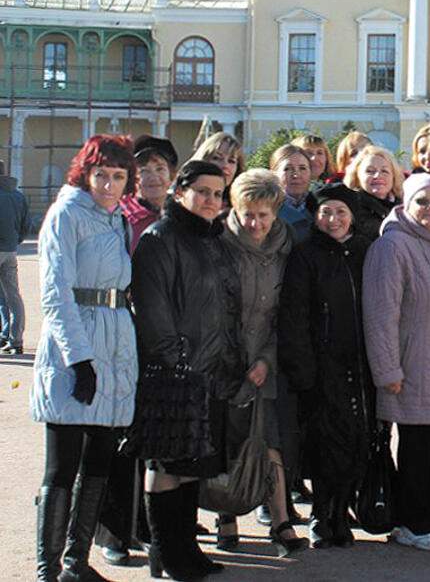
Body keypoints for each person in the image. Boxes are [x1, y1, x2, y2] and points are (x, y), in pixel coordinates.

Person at [31, 135, 139, 582]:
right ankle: (48, 568)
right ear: (85, 173)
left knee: (99, 459)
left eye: (118, 176)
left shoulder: (118, 220)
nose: (110, 184)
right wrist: (79, 359)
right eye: (102, 174)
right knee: (62, 465)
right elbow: (55, 293)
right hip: (76, 344)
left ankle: (77, 561)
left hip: (115, 341)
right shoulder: (67, 214)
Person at [132, 159, 242, 580]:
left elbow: (223, 307)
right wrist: (176, 360)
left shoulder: (213, 240)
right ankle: (166, 553)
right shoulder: (160, 238)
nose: (212, 201)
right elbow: (153, 308)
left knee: (192, 465)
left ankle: (186, 550)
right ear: (180, 192)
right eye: (203, 192)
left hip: (207, 371)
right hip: (172, 373)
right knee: (164, 467)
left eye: (218, 194)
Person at [363, 173, 430, 552]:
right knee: (416, 453)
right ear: (406, 203)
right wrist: (387, 369)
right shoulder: (392, 246)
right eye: (422, 201)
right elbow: (380, 313)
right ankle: (411, 524)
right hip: (410, 369)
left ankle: (428, 518)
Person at [96, 135, 178, 566]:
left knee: (153, 436)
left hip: (161, 341)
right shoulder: (117, 217)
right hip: (121, 334)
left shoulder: (178, 217)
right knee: (117, 436)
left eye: (161, 168)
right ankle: (113, 530)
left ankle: (147, 525)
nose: (152, 175)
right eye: (144, 168)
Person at [216, 170, 307, 556]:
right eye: (248, 214)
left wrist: (266, 359)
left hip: (266, 357)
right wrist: (234, 360)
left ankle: (281, 519)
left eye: (263, 215)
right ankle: (226, 517)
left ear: (275, 213)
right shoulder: (218, 243)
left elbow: (285, 311)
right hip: (225, 359)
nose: (255, 224)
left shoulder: (287, 247)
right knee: (227, 440)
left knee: (271, 441)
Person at [278, 184, 373, 549]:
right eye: (325, 212)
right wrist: (303, 368)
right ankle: (322, 512)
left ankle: (341, 512)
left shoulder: (365, 251)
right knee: (323, 443)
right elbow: (295, 315)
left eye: (340, 212)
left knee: (355, 440)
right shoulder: (305, 255)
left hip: (360, 363)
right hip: (321, 364)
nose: (332, 220)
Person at [0, 158, 30, 355]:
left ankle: (5, 333)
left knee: (3, 297)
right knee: (12, 295)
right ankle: (14, 339)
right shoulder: (19, 196)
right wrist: (14, 241)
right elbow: (26, 226)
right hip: (10, 250)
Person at [344, 145, 402, 243]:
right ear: (357, 176)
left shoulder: (404, 209)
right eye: (370, 171)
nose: (378, 176)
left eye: (384, 171)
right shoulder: (350, 208)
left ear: (393, 176)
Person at [271, 143, 316, 241]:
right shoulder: (267, 209)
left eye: (302, 168)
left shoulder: (320, 205)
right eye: (287, 169)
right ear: (274, 174)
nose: (296, 175)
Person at [192, 131, 244, 204]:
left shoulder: (242, 203)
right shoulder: (188, 195)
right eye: (217, 158)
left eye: (231, 161)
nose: (225, 165)